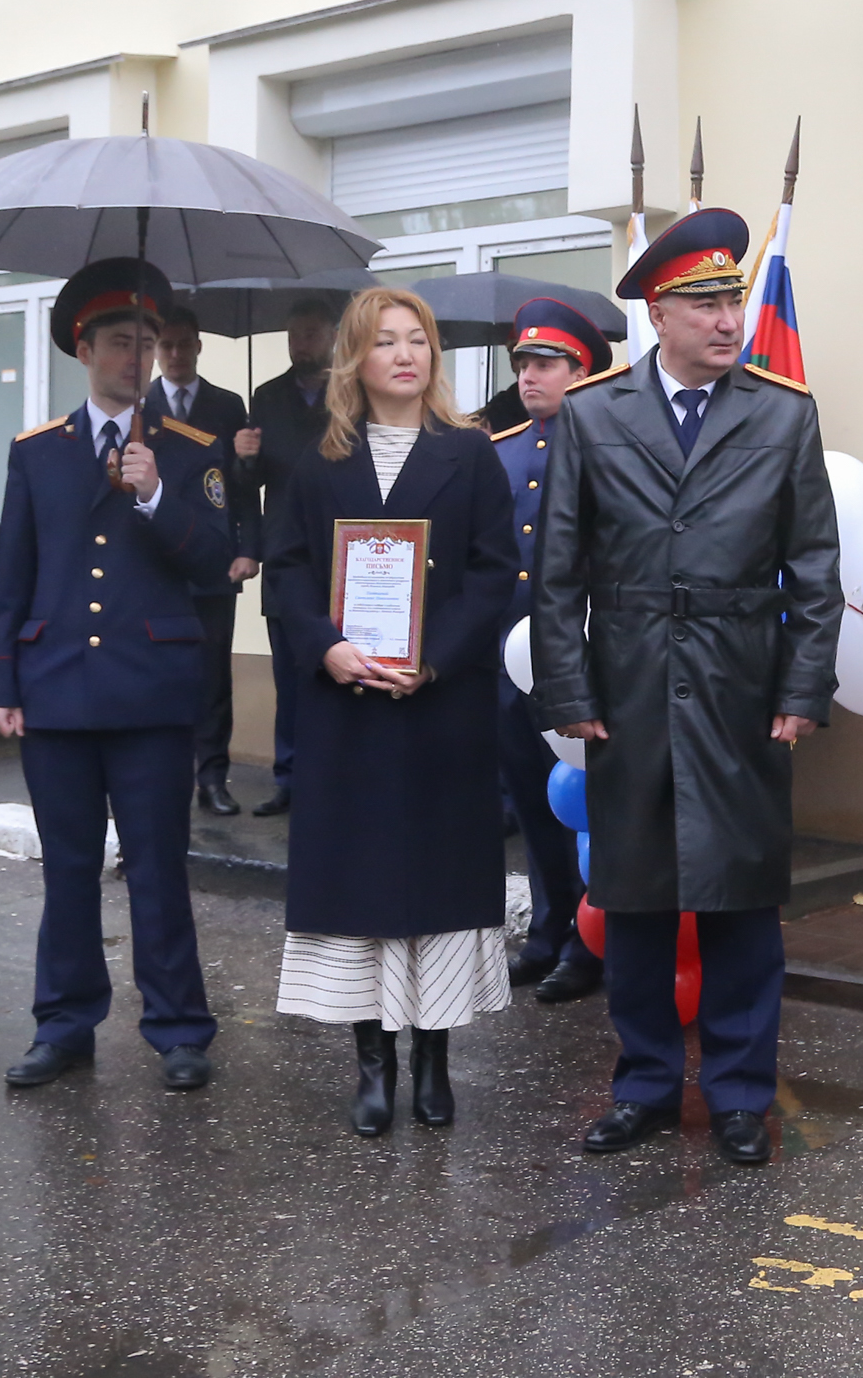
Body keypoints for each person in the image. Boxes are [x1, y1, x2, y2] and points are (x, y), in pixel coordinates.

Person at [531, 209, 841, 1167]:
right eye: (705, 303)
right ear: (657, 314)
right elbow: (557, 575)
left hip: (739, 682)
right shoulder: (594, 412)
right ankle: (648, 1086)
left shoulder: (782, 412)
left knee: (742, 897)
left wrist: (801, 689)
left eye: (733, 299)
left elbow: (818, 568)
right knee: (635, 895)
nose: (726, 319)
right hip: (626, 685)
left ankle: (742, 1093)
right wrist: (568, 691)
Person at [261, 286, 518, 1137]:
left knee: (438, 885)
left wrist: (432, 658)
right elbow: (289, 571)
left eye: (419, 341)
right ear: (357, 360)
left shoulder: (469, 454)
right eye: (387, 342)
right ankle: (372, 1061)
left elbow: (493, 574)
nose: (406, 355)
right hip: (348, 712)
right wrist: (326, 647)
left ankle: (434, 1059)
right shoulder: (318, 460)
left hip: (440, 710)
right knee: (360, 891)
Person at [0, 258, 233, 1092]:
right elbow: (11, 575)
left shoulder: (190, 449)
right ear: (83, 348)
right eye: (120, 342)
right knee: (67, 869)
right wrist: (0, 681)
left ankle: (178, 1026)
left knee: (158, 867)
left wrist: (157, 495)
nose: (136, 358)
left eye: (148, 342)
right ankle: (64, 1024)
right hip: (55, 687)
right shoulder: (38, 453)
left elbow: (214, 566)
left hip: (152, 691)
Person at [492, 298, 614, 1004]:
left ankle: (587, 943)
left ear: (582, 370)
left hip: (581, 662)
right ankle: (547, 929)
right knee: (535, 808)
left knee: (582, 804)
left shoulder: (604, 450)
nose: (530, 375)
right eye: (523, 364)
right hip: (510, 668)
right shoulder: (502, 450)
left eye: (546, 364)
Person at [145, 305, 262, 817]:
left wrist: (248, 546)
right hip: (154, 564)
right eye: (164, 345)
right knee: (158, 673)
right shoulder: (136, 404)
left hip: (214, 559)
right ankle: (160, 774)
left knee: (213, 675)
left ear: (197, 347)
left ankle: (212, 777)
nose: (173, 354)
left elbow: (241, 492)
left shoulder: (226, 404)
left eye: (182, 344)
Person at [247, 296, 340, 819]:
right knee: (289, 674)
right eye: (292, 335)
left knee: (335, 671)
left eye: (308, 333)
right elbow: (248, 484)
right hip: (285, 553)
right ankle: (289, 776)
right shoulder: (267, 397)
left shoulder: (351, 394)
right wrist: (243, 460)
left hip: (340, 555)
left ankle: (332, 775)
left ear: (330, 335)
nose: (299, 344)